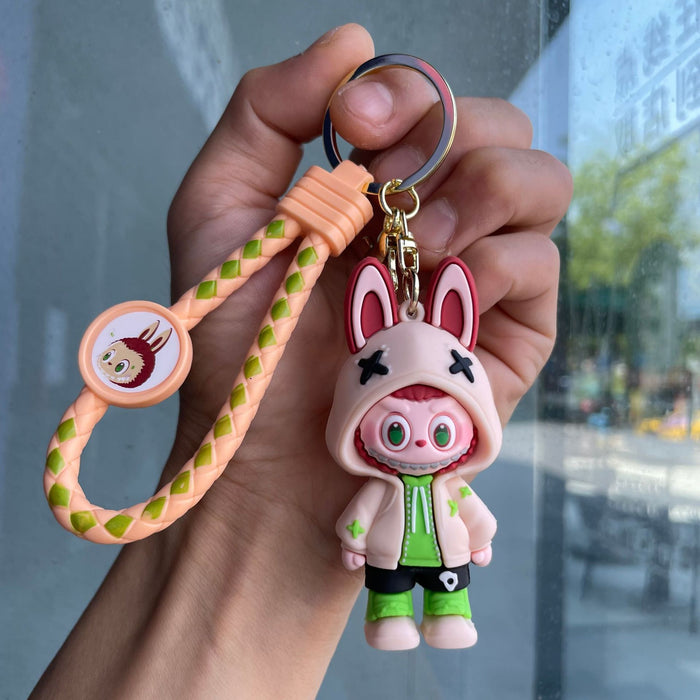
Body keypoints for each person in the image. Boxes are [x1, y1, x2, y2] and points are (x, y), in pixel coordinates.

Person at [31, 24, 572, 698]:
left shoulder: (437, 480)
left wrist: (459, 535)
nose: (419, 440)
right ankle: (396, 615)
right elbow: (371, 518)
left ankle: (447, 612)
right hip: (383, 556)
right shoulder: (378, 455)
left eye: (437, 431)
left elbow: (462, 514)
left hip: (435, 556)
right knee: (391, 599)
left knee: (446, 594)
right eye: (397, 428)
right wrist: (290, 512)